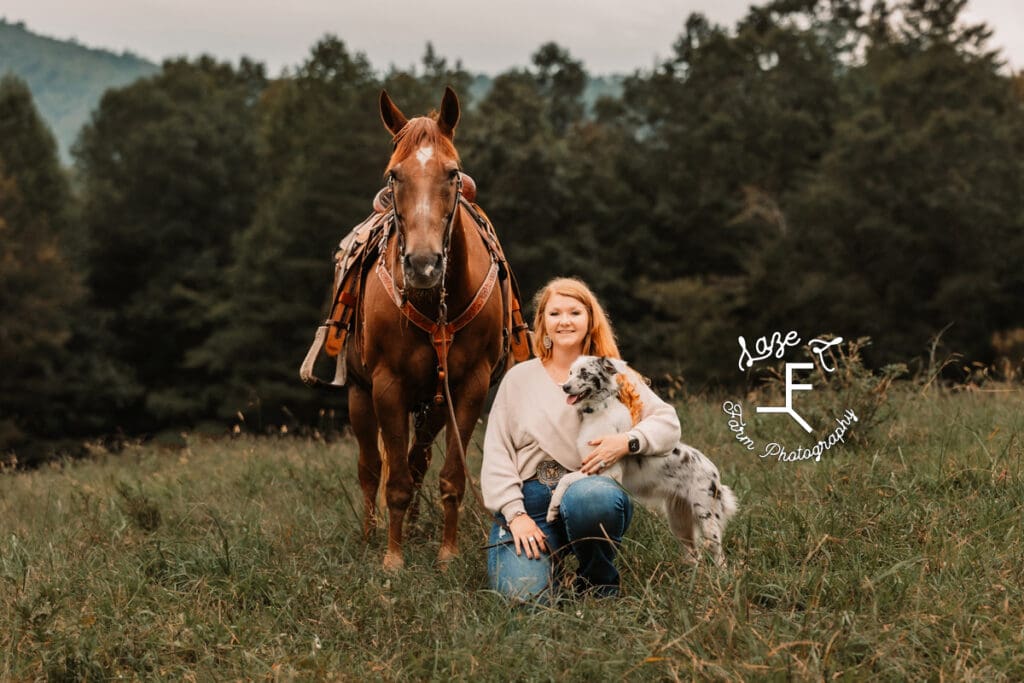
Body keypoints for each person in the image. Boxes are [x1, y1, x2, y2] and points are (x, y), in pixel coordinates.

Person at [481, 277, 681, 601]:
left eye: (574, 312)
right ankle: (552, 568)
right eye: (554, 313)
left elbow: (668, 423)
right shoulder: (518, 379)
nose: (564, 321)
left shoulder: (614, 375)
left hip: (586, 492)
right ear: (542, 324)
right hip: (529, 504)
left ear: (590, 321)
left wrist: (628, 441)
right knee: (525, 600)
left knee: (593, 497)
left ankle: (596, 580)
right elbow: (496, 455)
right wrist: (514, 516)